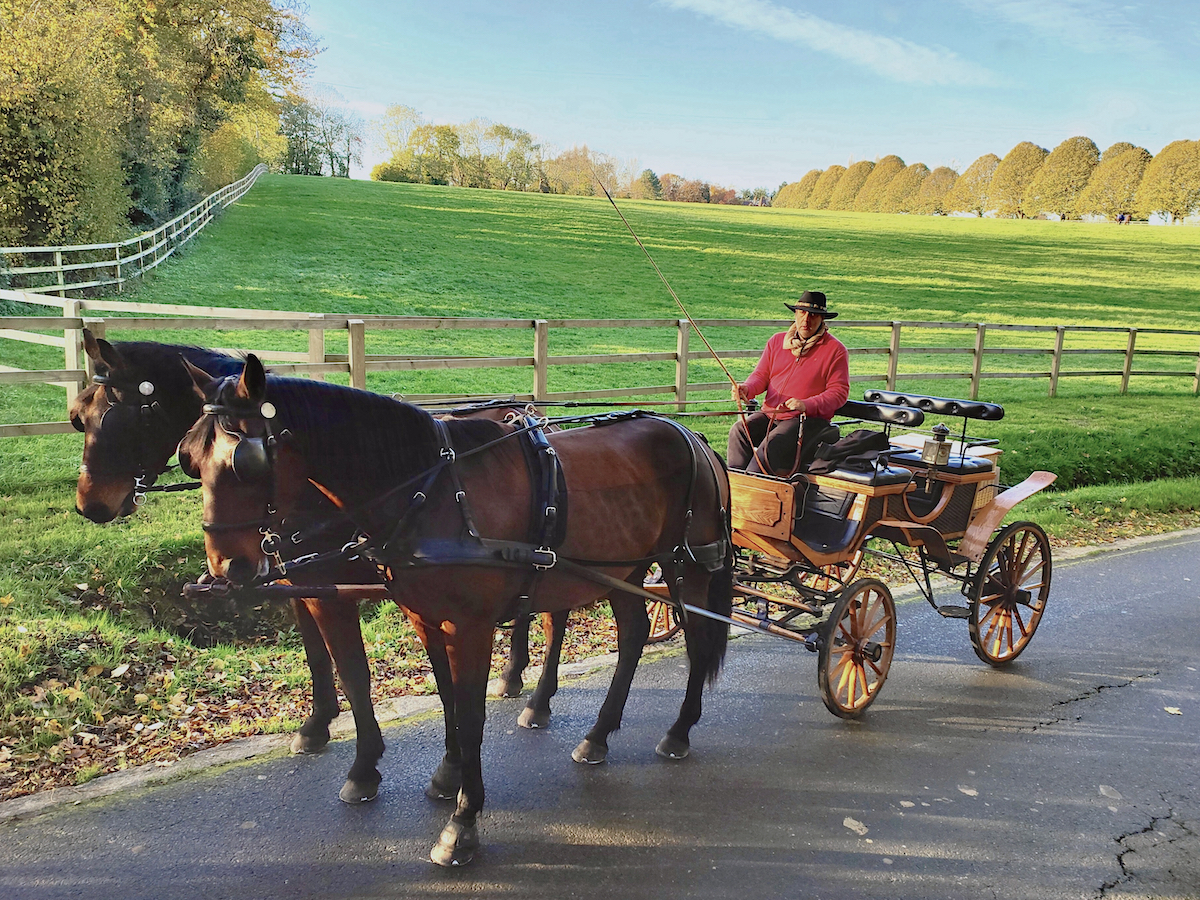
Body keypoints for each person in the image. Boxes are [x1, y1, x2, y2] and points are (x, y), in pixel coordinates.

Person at [728, 290, 850, 476]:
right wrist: (747, 388)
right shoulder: (777, 342)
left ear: (822, 319)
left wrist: (807, 404)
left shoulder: (835, 350)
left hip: (806, 421)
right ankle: (733, 486)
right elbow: (761, 375)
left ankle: (754, 490)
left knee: (768, 449)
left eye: (813, 315)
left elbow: (839, 392)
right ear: (795, 314)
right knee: (739, 431)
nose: (806, 320)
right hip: (771, 415)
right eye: (802, 313)